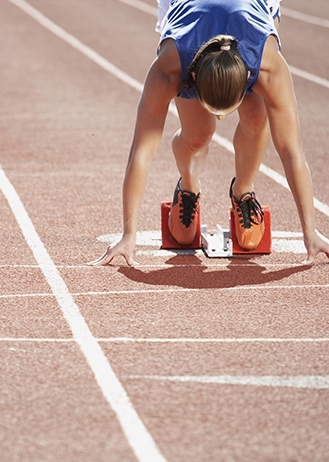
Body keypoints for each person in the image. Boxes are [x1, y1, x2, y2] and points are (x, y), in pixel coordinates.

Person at [91, 0, 329, 266]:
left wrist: (310, 232)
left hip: (250, 16)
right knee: (198, 135)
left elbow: (291, 151)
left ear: (248, 76)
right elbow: (142, 150)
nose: (220, 117)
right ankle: (188, 187)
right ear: (191, 80)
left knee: (256, 115)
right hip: (189, 19)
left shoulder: (267, 66)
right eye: (213, 108)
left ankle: (243, 192)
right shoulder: (170, 68)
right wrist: (128, 233)